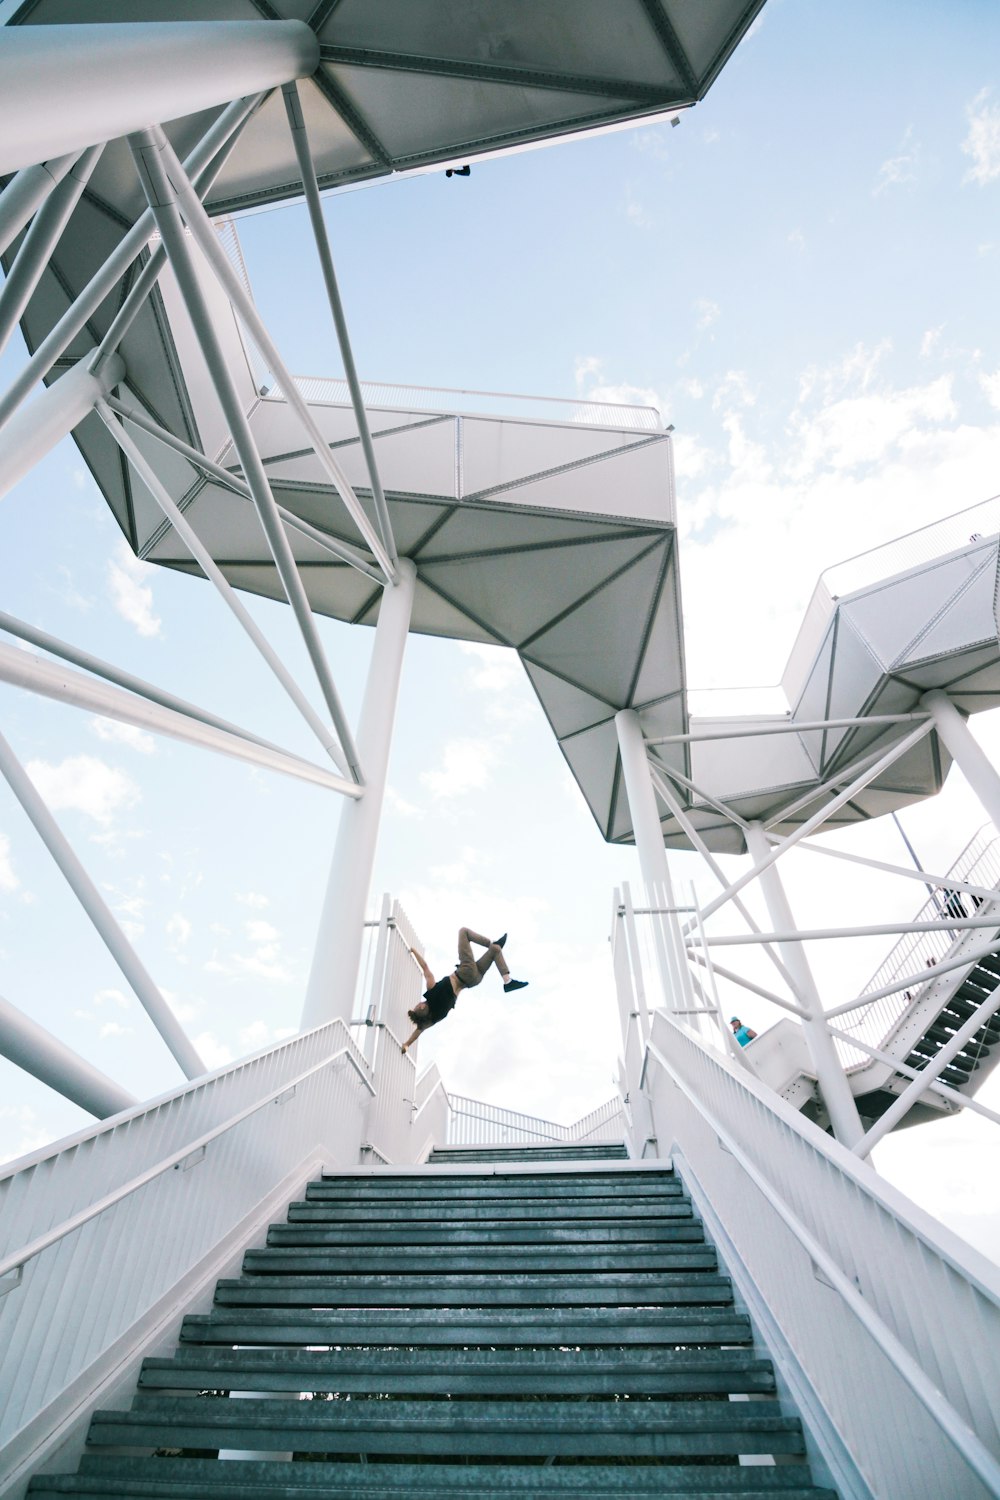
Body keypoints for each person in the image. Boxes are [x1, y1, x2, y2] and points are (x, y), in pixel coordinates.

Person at [402, 927, 528, 1053]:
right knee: (463, 932)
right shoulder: (431, 991)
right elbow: (425, 967)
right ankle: (492, 944)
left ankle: (508, 981)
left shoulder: (436, 1017)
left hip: (474, 981)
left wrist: (407, 1044)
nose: (418, 1003)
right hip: (466, 972)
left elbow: (418, 1032)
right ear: (422, 1007)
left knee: (496, 950)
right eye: (417, 1006)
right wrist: (413, 950)